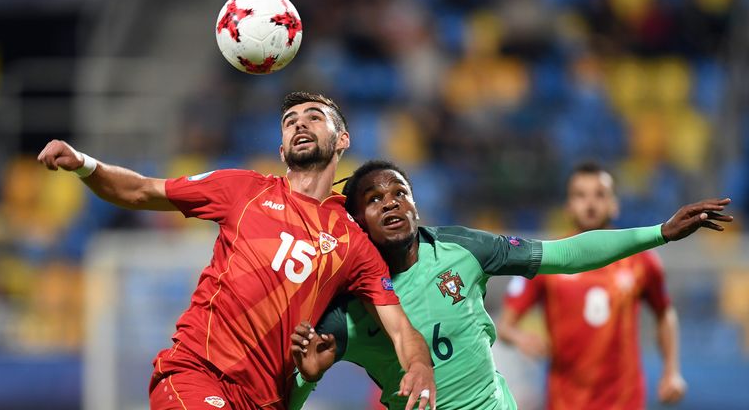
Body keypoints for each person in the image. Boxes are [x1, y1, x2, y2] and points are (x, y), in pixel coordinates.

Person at [36, 92, 435, 410]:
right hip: (196, 373)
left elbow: (400, 327)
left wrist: (418, 365)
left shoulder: (354, 244)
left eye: (314, 116)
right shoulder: (242, 189)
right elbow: (141, 190)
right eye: (289, 121)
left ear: (342, 139)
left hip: (265, 400)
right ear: (281, 150)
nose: (299, 123)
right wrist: (86, 165)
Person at [287, 160, 731, 410]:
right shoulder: (348, 309)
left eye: (400, 192)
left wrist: (659, 232)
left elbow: (565, 253)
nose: (392, 204)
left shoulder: (463, 248)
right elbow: (296, 382)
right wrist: (307, 378)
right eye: (375, 199)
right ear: (356, 221)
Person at [497, 163, 688, 409]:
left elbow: (664, 312)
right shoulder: (546, 258)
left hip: (624, 401)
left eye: (600, 194)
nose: (590, 203)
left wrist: (671, 370)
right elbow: (505, 325)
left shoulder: (641, 260)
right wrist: (520, 337)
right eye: (580, 195)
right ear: (568, 206)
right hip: (565, 402)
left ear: (614, 205)